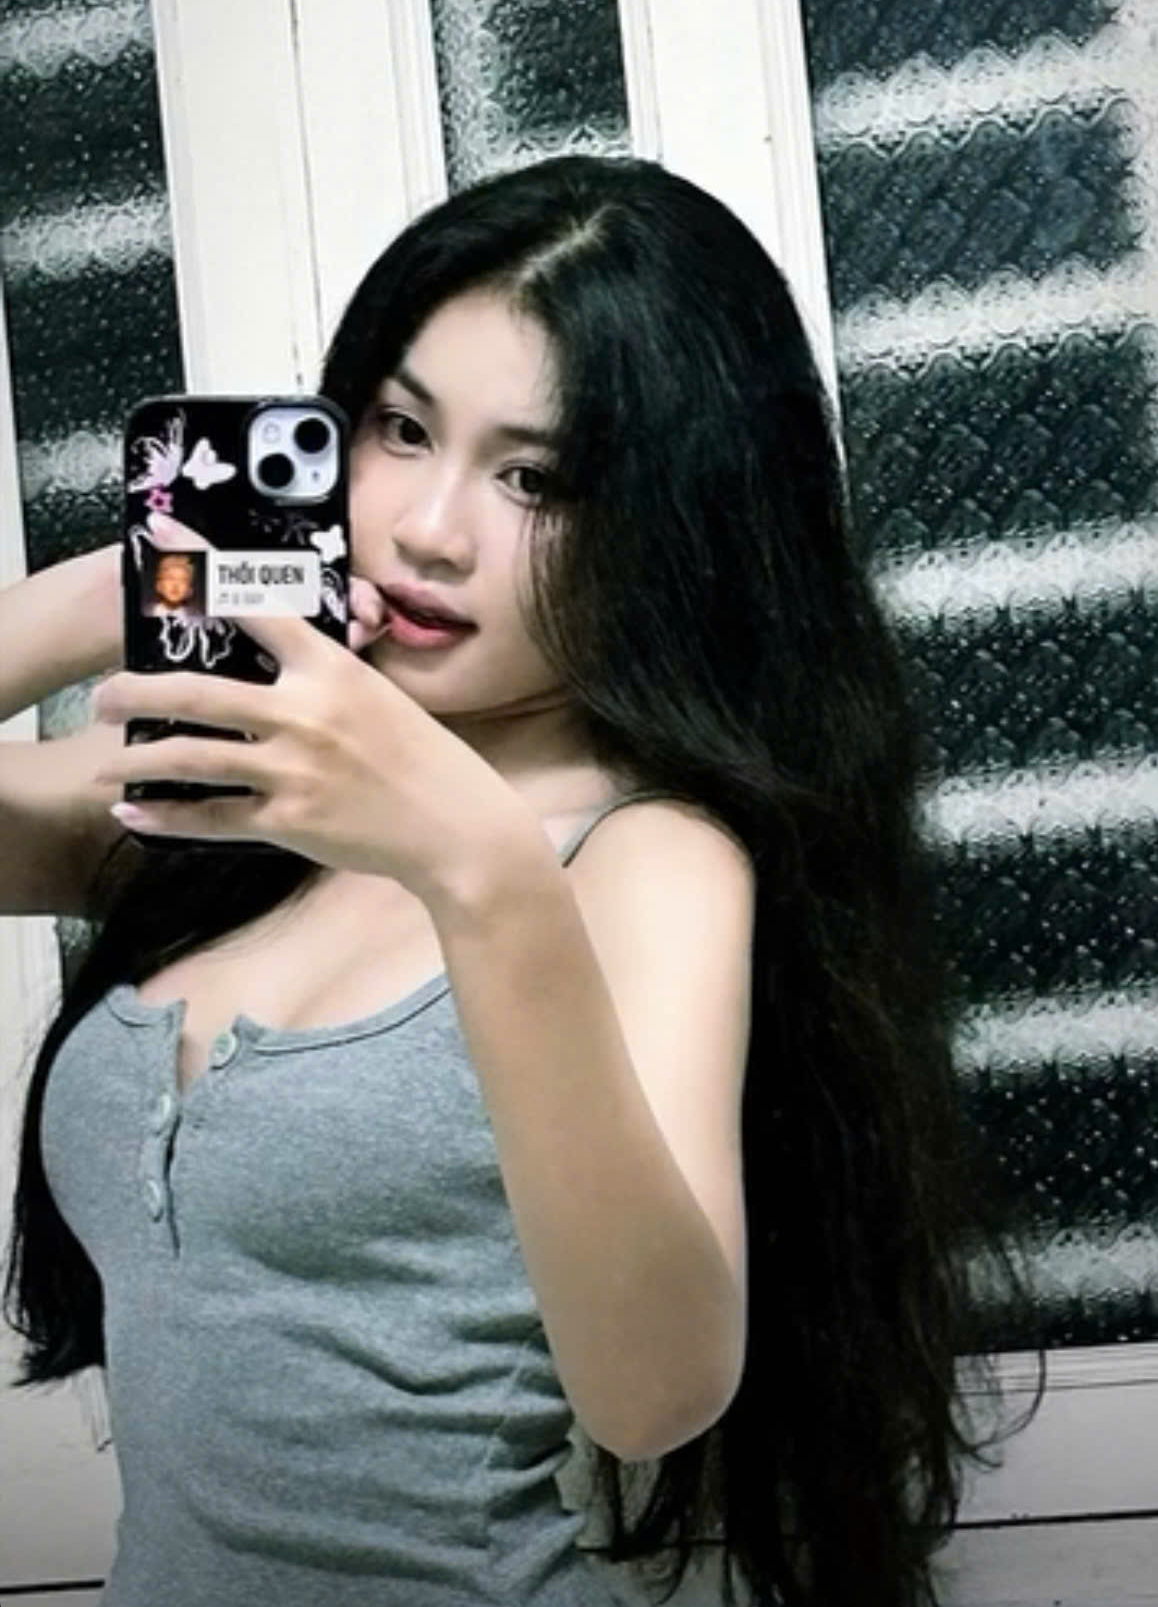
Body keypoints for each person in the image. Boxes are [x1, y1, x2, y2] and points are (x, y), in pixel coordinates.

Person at [1, 156, 1032, 1606]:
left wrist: (476, 865)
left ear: (671, 522)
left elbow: (653, 1392)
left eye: (534, 478)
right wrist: (114, 587)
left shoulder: (648, 855)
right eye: (401, 429)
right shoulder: (227, 789)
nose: (431, 528)